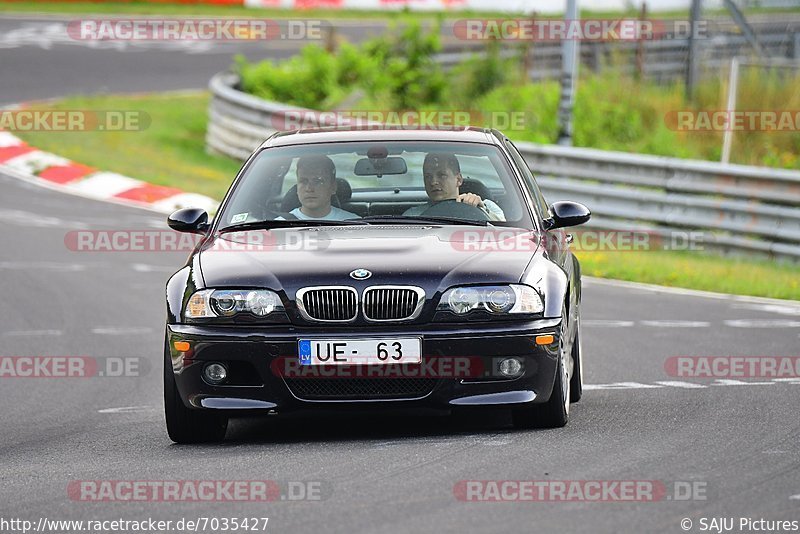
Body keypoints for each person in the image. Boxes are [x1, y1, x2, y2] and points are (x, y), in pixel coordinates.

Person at [403, 152, 505, 221]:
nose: (433, 182)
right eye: (428, 176)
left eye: (442, 175)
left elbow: (506, 233)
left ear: (459, 179)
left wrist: (482, 209)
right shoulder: (413, 215)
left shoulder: (488, 206)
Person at [280, 155, 359, 220]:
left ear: (333, 187)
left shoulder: (353, 224)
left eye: (317, 181)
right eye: (304, 181)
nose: (309, 189)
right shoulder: (278, 226)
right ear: (297, 187)